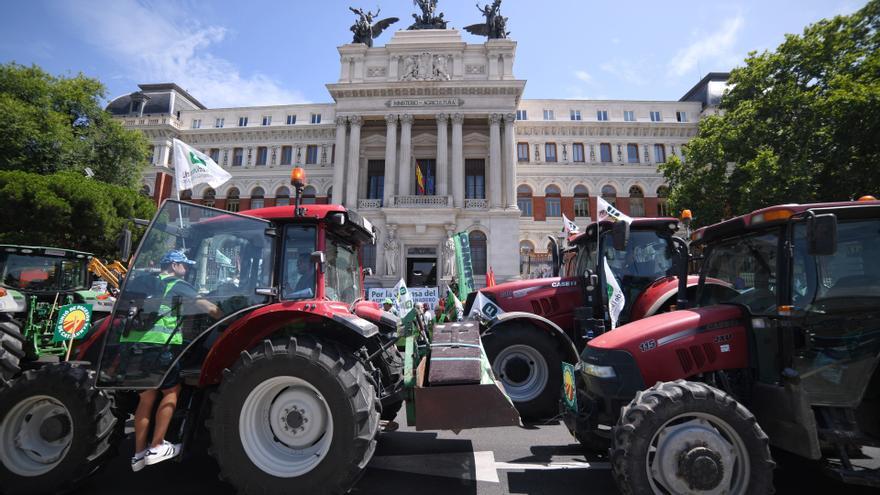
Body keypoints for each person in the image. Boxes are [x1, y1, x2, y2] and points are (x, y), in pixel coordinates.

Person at [129, 250, 222, 472]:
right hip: (159, 346)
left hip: (134, 346)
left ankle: (139, 453)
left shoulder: (145, 281)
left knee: (146, 398)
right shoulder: (177, 284)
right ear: (172, 265)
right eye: (183, 265)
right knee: (171, 392)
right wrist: (227, 317)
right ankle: (158, 445)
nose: (186, 269)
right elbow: (209, 308)